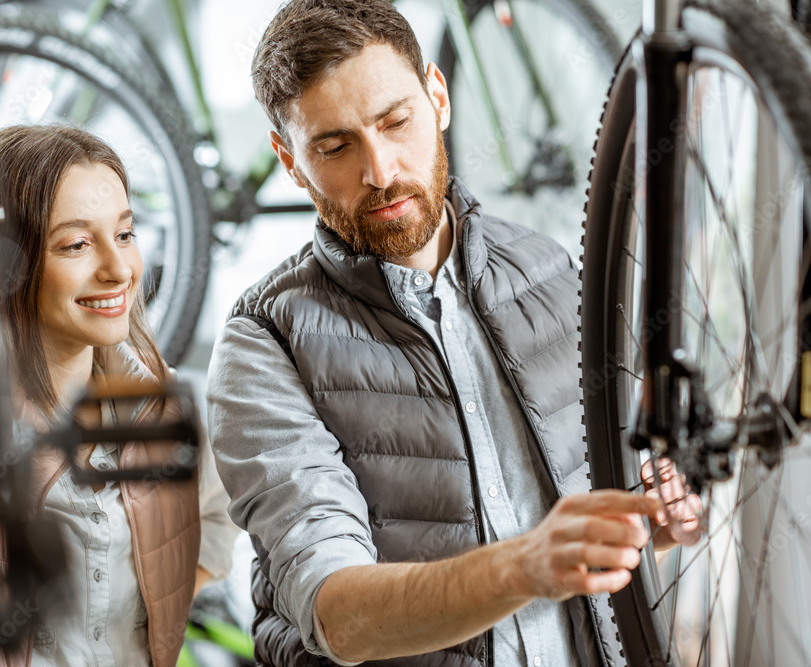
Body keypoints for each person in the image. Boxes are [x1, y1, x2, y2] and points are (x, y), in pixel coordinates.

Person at [206, 1, 674, 665]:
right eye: (334, 146)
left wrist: (655, 519)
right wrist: (524, 565)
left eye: (396, 121)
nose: (382, 169)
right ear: (288, 159)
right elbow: (338, 615)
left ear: (438, 96)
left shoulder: (546, 269)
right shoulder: (263, 341)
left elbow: (599, 530)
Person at [0, 124, 239, 666]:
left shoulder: (160, 400)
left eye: (125, 234)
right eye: (77, 243)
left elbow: (215, 521)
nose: (120, 269)